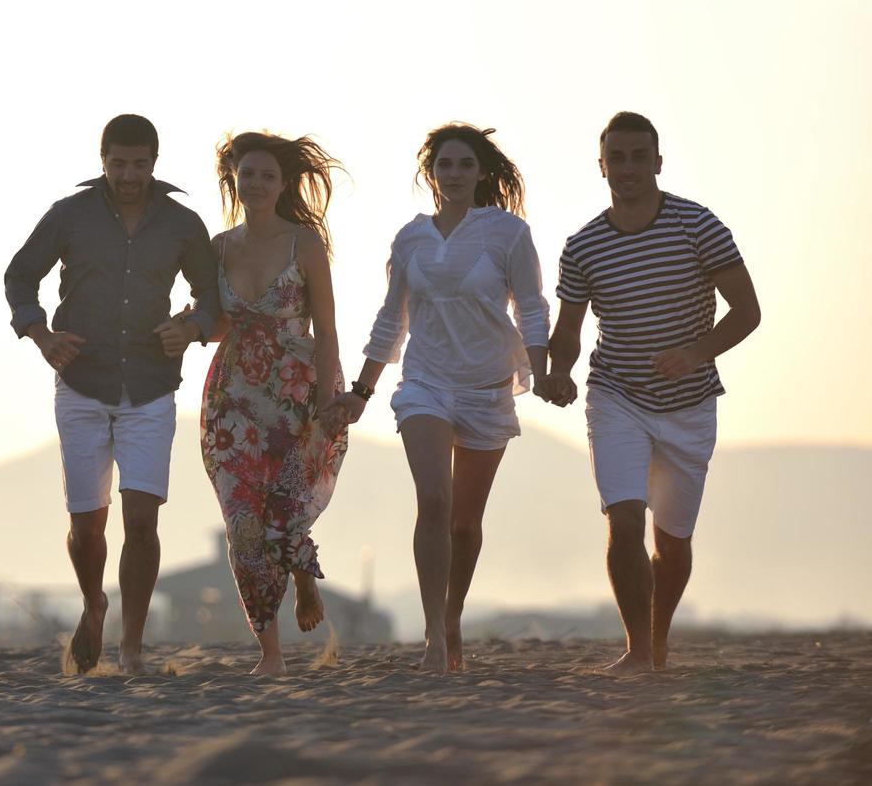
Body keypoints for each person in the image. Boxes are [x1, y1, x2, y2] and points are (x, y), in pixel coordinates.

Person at [538, 111, 759, 676]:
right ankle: (638, 650)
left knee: (674, 540)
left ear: (658, 162)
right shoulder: (583, 245)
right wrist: (558, 372)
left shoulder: (698, 225)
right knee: (625, 518)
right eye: (618, 158)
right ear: (602, 165)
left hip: (689, 403)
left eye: (640, 157)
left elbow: (748, 311)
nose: (628, 168)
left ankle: (657, 641)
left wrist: (695, 353)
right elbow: (569, 330)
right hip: (616, 395)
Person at [4, 114, 221, 675]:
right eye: (119, 163)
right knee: (86, 525)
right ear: (102, 160)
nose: (129, 174)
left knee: (142, 521)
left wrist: (192, 327)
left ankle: (131, 647)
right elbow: (19, 276)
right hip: (80, 381)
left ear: (155, 161)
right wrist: (41, 336)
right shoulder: (68, 216)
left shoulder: (181, 224)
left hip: (150, 387)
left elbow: (212, 297)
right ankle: (94, 601)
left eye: (140, 164)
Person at [331, 124, 550, 673]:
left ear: (481, 173)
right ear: (431, 174)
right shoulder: (411, 238)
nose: (454, 174)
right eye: (444, 165)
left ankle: (452, 618)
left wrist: (543, 370)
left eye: (464, 165)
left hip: (486, 388)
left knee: (464, 523)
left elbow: (531, 307)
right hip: (425, 382)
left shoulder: (508, 234)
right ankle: (432, 636)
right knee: (435, 502)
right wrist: (363, 389)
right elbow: (391, 319)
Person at [195, 131, 349, 675]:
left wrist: (331, 396)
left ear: (283, 184)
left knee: (283, 511)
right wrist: (180, 329)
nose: (255, 184)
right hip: (231, 397)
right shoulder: (217, 247)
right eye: (247, 175)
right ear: (234, 182)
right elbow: (216, 325)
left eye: (266, 175)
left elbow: (327, 330)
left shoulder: (304, 244)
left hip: (294, 390)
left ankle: (305, 581)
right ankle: (271, 652)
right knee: (243, 521)